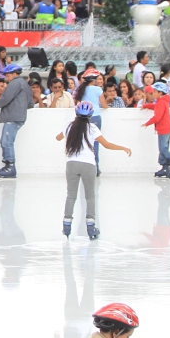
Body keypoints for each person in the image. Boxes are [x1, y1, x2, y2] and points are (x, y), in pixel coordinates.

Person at [56, 102, 131, 240]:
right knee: (90, 196)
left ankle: (66, 226)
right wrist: (123, 148)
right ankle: (91, 227)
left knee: (71, 195)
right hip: (88, 164)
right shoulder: (93, 128)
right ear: (90, 115)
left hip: (71, 163)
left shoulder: (69, 126)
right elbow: (106, 145)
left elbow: (58, 137)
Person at [0, 63, 34, 179]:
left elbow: (6, 98)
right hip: (19, 116)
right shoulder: (25, 84)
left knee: (6, 142)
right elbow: (30, 103)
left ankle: (10, 166)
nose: (6, 77)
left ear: (14, 74)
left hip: (13, 117)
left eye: (8, 75)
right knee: (7, 141)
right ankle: (8, 165)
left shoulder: (15, 83)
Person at [142, 82, 170, 178]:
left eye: (154, 91)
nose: (153, 93)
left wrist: (148, 123)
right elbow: (156, 108)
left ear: (160, 93)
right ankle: (165, 168)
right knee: (163, 149)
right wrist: (147, 106)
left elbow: (157, 117)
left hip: (164, 129)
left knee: (163, 149)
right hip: (166, 128)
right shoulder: (162, 101)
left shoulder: (161, 102)